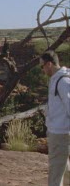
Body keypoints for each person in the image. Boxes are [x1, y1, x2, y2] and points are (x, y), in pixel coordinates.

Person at [40, 50, 70, 186]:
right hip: (58, 131)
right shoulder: (57, 79)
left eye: (42, 66)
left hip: (61, 133)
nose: (42, 70)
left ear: (49, 64)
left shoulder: (63, 81)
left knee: (55, 172)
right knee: (64, 169)